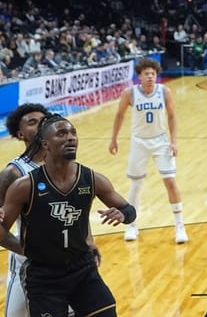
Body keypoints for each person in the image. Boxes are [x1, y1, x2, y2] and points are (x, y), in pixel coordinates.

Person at [0, 114, 136, 317]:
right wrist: (24, 249)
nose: (70, 137)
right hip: (43, 274)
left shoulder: (92, 178)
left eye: (73, 133)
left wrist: (122, 215)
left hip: (82, 268)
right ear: (45, 144)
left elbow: (130, 210)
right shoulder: (23, 185)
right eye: (62, 134)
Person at [109, 57, 188, 244]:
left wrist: (174, 141)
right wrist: (113, 139)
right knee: (136, 185)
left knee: (169, 181)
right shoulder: (130, 93)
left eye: (153, 74)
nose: (151, 77)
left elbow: (172, 117)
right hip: (139, 142)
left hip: (161, 141)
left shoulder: (164, 92)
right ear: (139, 76)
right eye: (147, 74)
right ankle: (131, 224)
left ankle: (180, 226)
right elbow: (119, 116)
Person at [0, 103, 49, 317]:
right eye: (32, 122)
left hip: (66, 260)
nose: (40, 125)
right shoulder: (13, 173)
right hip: (27, 263)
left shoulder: (66, 164)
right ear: (20, 134)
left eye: (43, 121)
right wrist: (28, 251)